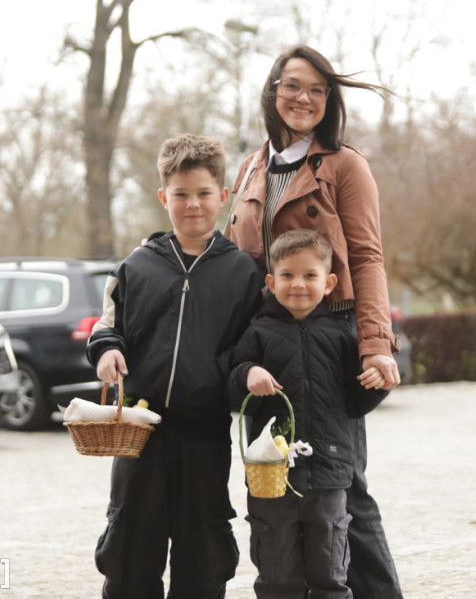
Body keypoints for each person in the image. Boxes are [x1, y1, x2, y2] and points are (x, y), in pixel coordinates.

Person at [225, 45, 404, 598]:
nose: (303, 98)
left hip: (329, 336)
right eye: (292, 85)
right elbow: (239, 262)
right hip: (268, 342)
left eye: (317, 90)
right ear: (272, 89)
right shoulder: (251, 167)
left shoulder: (346, 165)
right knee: (275, 491)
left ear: (330, 101)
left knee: (343, 490)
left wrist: (376, 344)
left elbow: (368, 257)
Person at [87, 133, 264, 599]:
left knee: (203, 553)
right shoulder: (135, 266)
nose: (193, 205)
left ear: (222, 197)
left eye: (204, 194)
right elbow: (107, 327)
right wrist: (107, 352)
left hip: (204, 434)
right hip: (140, 434)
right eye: (181, 194)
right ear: (164, 197)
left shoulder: (243, 273)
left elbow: (250, 348)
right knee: (129, 551)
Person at [227, 229, 389, 598]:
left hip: (329, 477)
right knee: (277, 578)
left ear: (329, 282)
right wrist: (248, 374)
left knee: (330, 577)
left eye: (309, 275)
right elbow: (233, 390)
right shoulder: (258, 335)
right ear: (271, 281)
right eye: (286, 275)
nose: (297, 284)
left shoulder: (340, 337)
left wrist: (377, 383)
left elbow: (354, 404)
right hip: (273, 479)